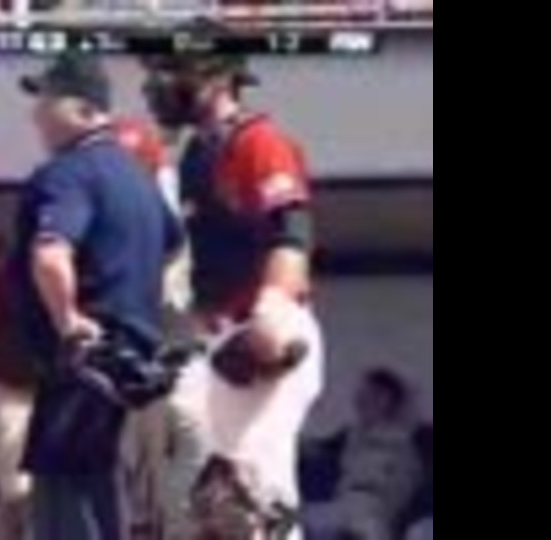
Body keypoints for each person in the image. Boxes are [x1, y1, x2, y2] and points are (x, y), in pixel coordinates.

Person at [140, 53, 325, 540]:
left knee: (255, 497)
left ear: (219, 78)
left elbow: (291, 234)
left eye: (175, 69)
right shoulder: (197, 153)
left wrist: (272, 309)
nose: (161, 82)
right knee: (218, 500)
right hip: (223, 334)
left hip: (267, 324)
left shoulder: (258, 140)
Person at [13, 53, 183, 540]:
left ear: (83, 108)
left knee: (67, 507)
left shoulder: (68, 172)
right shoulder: (136, 177)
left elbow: (51, 254)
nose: (36, 113)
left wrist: (68, 320)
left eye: (47, 100)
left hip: (85, 366)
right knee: (117, 505)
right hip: (136, 367)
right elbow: (171, 242)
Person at [302, 369, 432, 540]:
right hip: (344, 506)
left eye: (370, 396)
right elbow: (314, 448)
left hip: (376, 513)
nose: (360, 401)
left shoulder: (410, 440)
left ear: (387, 401)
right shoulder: (350, 436)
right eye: (361, 396)